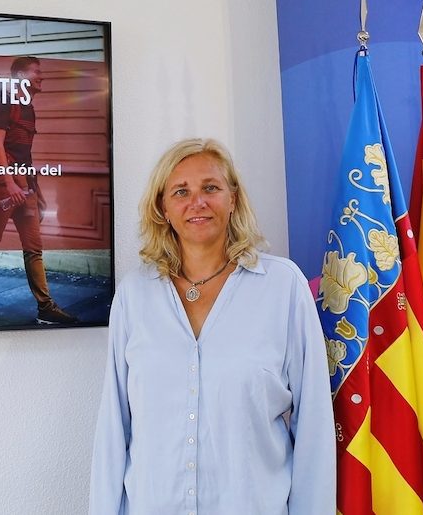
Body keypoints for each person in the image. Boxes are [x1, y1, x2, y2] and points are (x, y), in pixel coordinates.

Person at [89, 138, 334, 514]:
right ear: (163, 208)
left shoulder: (282, 287)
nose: (197, 202)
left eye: (211, 188)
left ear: (232, 198)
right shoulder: (135, 295)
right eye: (181, 191)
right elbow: (114, 425)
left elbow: (314, 423)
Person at [0, 56, 78, 325]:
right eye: (36, 72)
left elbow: (23, 151)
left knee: (34, 248)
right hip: (6, 184)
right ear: (19, 76)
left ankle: (45, 307)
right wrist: (10, 183)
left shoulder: (28, 107)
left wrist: (31, 186)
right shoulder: (6, 100)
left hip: (25, 183)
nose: (41, 77)